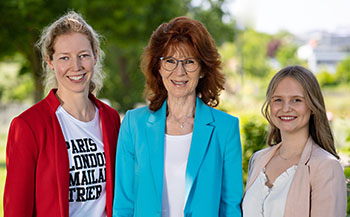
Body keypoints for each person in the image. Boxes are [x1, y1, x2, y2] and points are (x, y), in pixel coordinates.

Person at [112, 16, 243, 217]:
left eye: (189, 62)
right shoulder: (133, 124)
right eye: (170, 61)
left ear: (202, 69)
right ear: (158, 67)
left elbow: (230, 206)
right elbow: (123, 203)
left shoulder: (226, 128)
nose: (179, 72)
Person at [4, 11, 120, 217]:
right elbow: (16, 208)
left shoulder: (111, 119)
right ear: (50, 61)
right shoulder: (29, 126)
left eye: (83, 55)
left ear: (95, 55)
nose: (76, 67)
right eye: (64, 57)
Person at [242, 65, 347, 217]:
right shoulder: (258, 159)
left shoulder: (326, 167)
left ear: (312, 107)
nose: (285, 108)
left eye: (296, 100)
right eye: (278, 100)